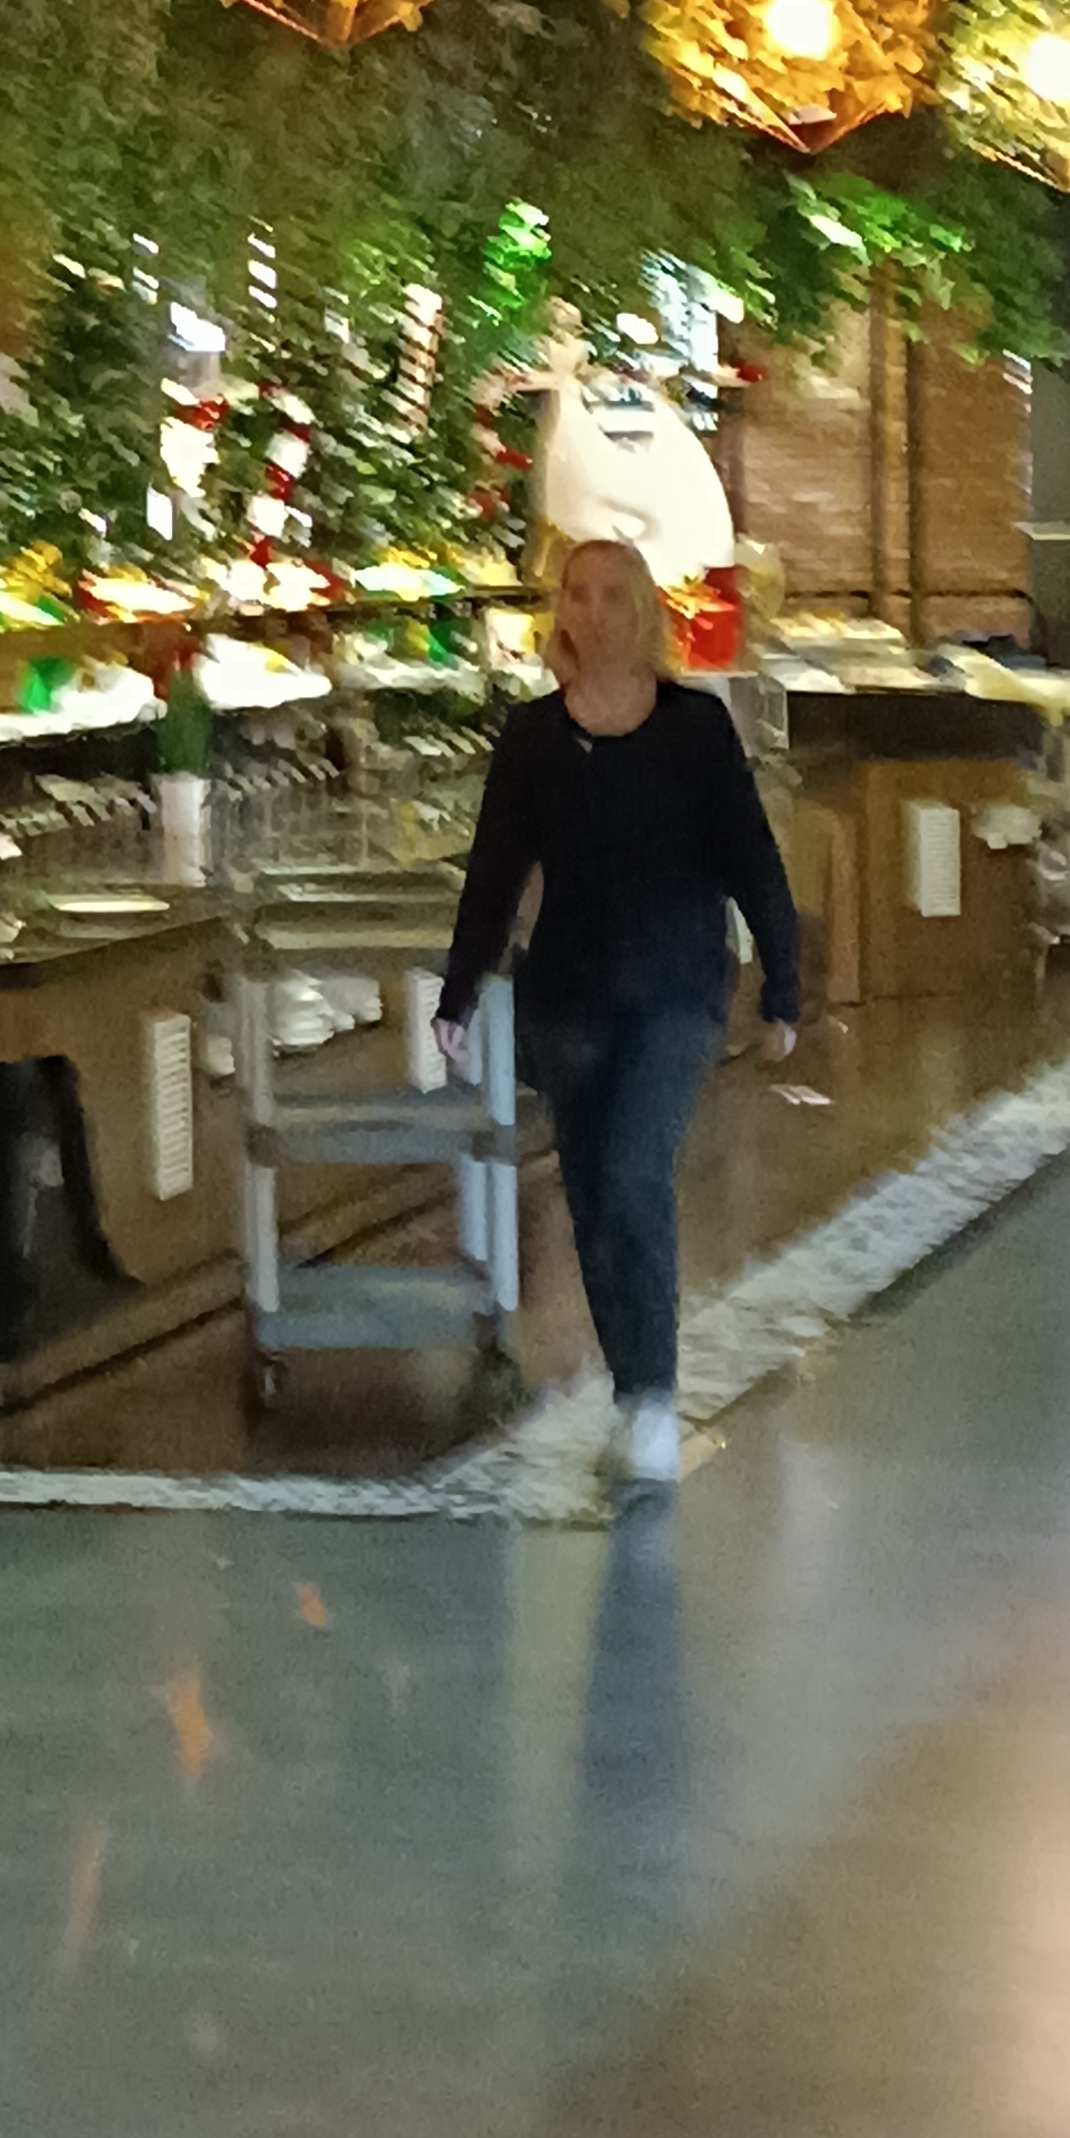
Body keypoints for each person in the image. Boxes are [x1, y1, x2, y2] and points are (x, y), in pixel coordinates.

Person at [433, 539, 803, 1491]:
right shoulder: (533, 738)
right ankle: (632, 1391)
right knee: (595, 1201)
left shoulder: (694, 730)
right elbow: (495, 870)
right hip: (570, 994)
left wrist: (783, 983)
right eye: (578, 595)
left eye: (612, 596)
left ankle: (652, 1398)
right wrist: (460, 989)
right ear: (559, 610)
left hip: (677, 991)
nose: (593, 613)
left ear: (642, 611)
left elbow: (751, 857)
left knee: (635, 1176)